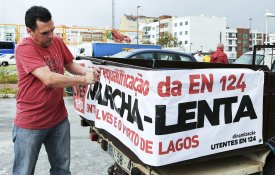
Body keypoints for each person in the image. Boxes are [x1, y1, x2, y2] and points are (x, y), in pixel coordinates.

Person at [12, 6, 100, 175]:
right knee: (23, 172)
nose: (51, 36)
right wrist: (83, 80)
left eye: (52, 30)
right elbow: (49, 79)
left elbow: (70, 65)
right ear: (30, 31)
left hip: (58, 120)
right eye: (45, 33)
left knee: (62, 170)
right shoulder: (24, 48)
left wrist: (87, 71)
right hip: (30, 124)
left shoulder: (56, 41)